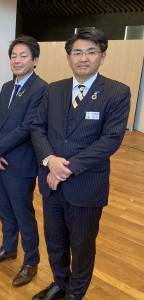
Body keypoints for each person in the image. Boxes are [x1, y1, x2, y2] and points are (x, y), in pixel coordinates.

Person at [31, 28, 130, 300]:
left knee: (82, 246)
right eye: (77, 52)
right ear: (68, 57)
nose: (83, 58)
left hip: (86, 186)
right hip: (51, 185)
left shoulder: (116, 92)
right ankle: (60, 284)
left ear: (102, 56)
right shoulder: (54, 90)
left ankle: (75, 294)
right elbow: (37, 128)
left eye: (91, 51)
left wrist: (66, 168)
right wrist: (50, 160)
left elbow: (110, 140)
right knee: (55, 242)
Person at [0, 36, 47, 287]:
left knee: (24, 214)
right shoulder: (7, 87)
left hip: (20, 164)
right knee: (6, 210)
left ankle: (31, 261)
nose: (17, 60)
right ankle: (9, 248)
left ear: (35, 60)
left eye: (23, 56)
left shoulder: (42, 88)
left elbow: (28, 127)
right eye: (14, 56)